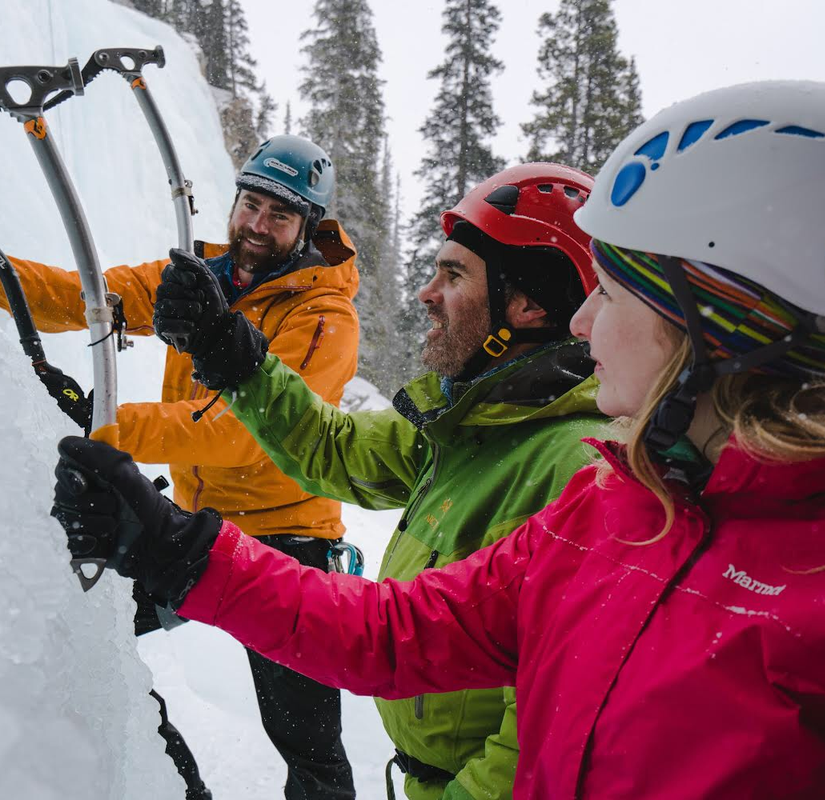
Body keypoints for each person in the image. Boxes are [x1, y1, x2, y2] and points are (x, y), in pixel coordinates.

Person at [51, 80, 825, 797]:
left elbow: (516, 750)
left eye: (610, 295)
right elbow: (394, 631)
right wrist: (182, 535)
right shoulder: (613, 507)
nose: (585, 323)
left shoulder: (588, 474)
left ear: (708, 325)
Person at [153, 163, 604, 800]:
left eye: (452, 275)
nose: (425, 294)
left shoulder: (573, 466)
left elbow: (540, 736)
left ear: (528, 305)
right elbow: (334, 450)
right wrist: (237, 356)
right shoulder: (474, 423)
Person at [0, 135, 361, 800]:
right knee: (91, 637)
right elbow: (86, 295)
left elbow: (244, 434)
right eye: (250, 204)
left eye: (279, 216)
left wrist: (105, 421)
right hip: (197, 528)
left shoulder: (324, 318)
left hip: (290, 545)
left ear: (308, 228)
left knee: (309, 749)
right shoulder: (198, 281)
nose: (256, 226)